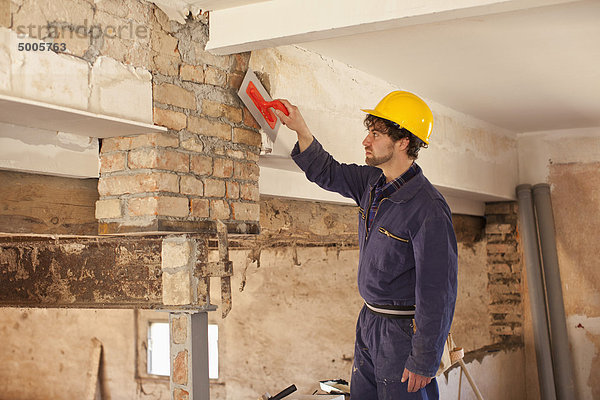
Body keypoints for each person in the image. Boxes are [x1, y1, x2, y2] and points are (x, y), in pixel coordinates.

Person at [274, 91, 458, 400]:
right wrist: (300, 129)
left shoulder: (428, 207)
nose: (366, 141)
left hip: (402, 332)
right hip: (369, 321)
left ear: (403, 142)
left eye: (375, 134)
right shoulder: (373, 183)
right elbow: (328, 172)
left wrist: (425, 359)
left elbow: (438, 290)